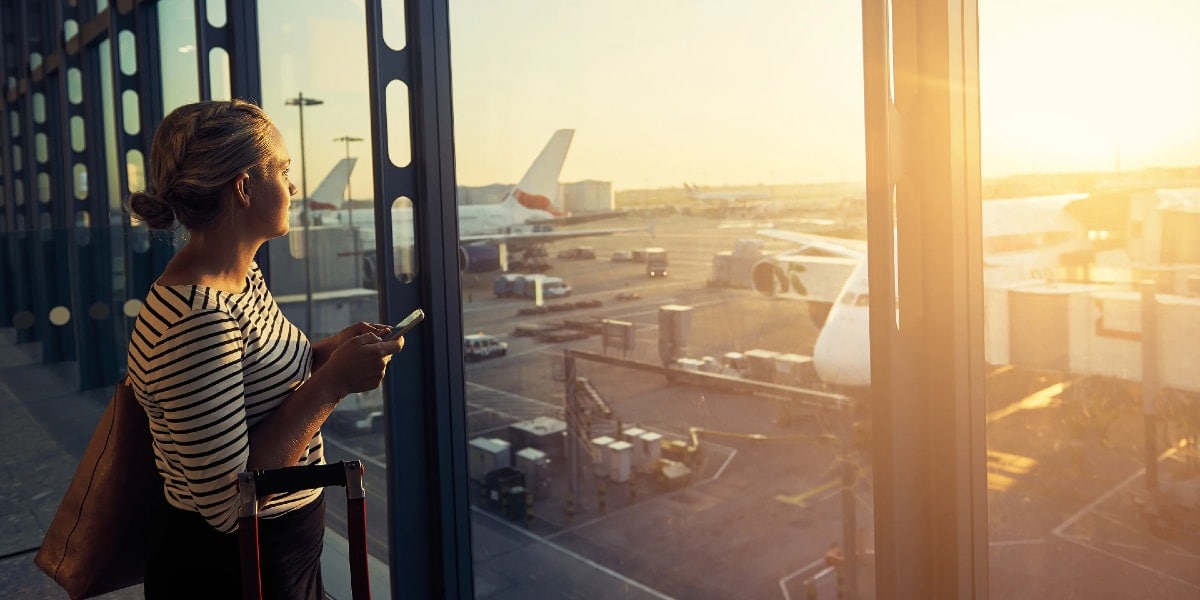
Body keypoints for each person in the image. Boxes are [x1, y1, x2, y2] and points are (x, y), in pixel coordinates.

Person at [124, 99, 403, 599]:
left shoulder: (239, 278)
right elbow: (231, 503)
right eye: (281, 169)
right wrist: (334, 382)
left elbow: (249, 379)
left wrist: (328, 353)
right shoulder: (197, 318)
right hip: (232, 574)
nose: (293, 187)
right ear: (244, 187)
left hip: (280, 557)